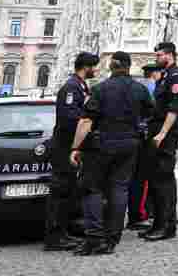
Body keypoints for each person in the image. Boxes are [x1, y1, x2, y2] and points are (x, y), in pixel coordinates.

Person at [70, 51, 155, 256]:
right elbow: (150, 113)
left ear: (113, 65)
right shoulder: (140, 89)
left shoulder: (100, 89)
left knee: (92, 188)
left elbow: (86, 121)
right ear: (128, 66)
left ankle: (95, 238)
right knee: (120, 189)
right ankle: (111, 238)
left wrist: (76, 147)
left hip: (102, 145)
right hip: (129, 145)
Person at [43, 52, 98, 251]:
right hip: (64, 146)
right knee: (60, 192)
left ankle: (63, 233)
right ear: (87, 67)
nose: (96, 70)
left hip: (70, 146)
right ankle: (54, 237)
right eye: (94, 67)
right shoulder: (71, 87)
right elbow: (69, 119)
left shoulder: (80, 86)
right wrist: (87, 127)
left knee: (67, 191)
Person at [140, 42, 178, 241]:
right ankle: (158, 223)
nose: (157, 58)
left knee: (163, 179)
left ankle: (167, 226)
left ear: (169, 55)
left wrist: (162, 133)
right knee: (155, 180)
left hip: (165, 134)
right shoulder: (165, 76)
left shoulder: (176, 76)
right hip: (157, 131)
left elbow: (174, 109)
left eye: (159, 55)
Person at [127, 62, 163, 231]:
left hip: (121, 138)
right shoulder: (150, 89)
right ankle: (139, 215)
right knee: (141, 180)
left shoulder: (136, 86)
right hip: (143, 139)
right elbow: (152, 112)